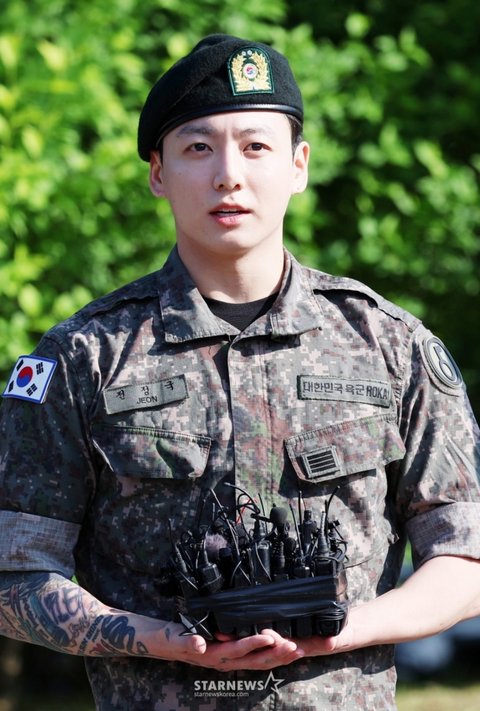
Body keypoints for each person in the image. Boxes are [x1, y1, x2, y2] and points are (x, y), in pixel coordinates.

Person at [0, 33, 479, 711]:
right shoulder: (83, 357)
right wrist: (161, 639)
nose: (229, 174)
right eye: (198, 148)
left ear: (298, 165)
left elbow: (464, 558)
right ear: (158, 173)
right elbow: (14, 577)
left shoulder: (390, 347)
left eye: (256, 146)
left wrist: (338, 629)